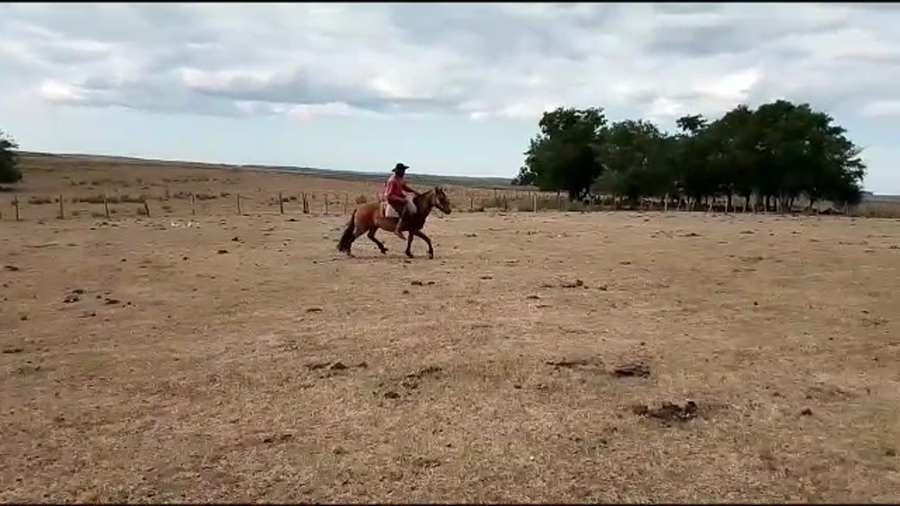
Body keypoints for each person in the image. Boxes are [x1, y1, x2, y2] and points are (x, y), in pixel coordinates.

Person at [384, 162, 419, 239]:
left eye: (404, 170)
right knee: (405, 210)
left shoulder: (399, 179)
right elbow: (389, 195)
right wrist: (401, 200)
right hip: (393, 200)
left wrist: (414, 191)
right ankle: (398, 229)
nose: (404, 172)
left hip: (399, 197)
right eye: (402, 170)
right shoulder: (392, 181)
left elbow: (404, 187)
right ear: (397, 171)